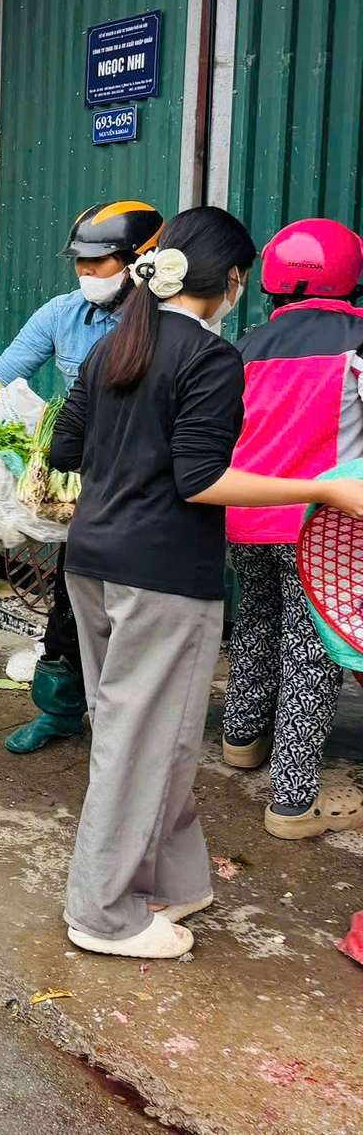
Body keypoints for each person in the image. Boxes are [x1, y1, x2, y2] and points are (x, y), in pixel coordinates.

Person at [48, 206, 363, 959]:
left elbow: (66, 445)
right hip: (162, 575)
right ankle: (103, 914)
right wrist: (320, 491)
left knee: (147, 736)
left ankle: (173, 881)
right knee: (142, 746)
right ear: (232, 280)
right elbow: (202, 480)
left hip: (91, 562)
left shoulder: (116, 344)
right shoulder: (209, 357)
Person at [0, 200, 167, 754]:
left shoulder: (174, 323)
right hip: (82, 490)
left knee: (141, 615)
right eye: (80, 263)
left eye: (101, 262)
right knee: (70, 608)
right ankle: (60, 711)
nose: (87, 273)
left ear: (145, 260)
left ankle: (135, 726)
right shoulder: (62, 314)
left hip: (148, 492)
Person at [222, 218, 363, 839]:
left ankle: (241, 741)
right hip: (323, 527)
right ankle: (293, 802)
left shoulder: (243, 346)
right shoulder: (358, 344)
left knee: (255, 616)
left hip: (245, 515)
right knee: (311, 650)